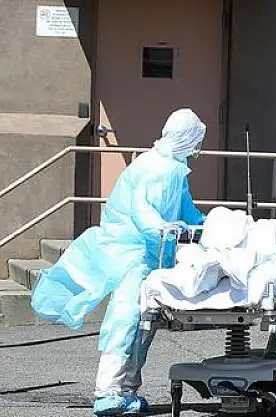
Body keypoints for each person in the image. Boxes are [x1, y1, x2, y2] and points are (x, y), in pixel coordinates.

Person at [30, 108, 208, 416]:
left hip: (150, 255)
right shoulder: (155, 168)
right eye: (196, 140)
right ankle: (108, 391)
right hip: (135, 253)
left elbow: (186, 210)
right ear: (186, 138)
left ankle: (127, 391)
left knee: (144, 323)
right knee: (125, 320)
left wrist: (211, 227)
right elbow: (143, 211)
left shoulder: (174, 169)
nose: (197, 148)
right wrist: (162, 229)